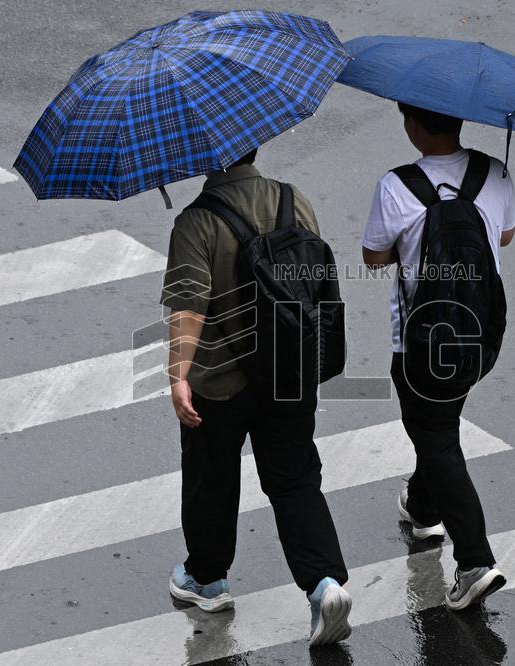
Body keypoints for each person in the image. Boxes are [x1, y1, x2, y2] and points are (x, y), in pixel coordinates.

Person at [160, 149, 352, 647]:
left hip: (219, 381)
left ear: (204, 154)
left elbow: (189, 308)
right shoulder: (296, 202)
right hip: (290, 370)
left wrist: (178, 376)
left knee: (212, 475)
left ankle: (207, 578)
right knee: (295, 480)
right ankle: (324, 585)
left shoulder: (196, 222)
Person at [361, 103, 515, 609]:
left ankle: (474, 560)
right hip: (478, 335)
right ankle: (422, 507)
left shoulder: (396, 185)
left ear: (412, 124)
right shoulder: (494, 171)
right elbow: (506, 235)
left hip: (420, 343)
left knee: (438, 441)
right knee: (438, 427)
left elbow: (373, 256)